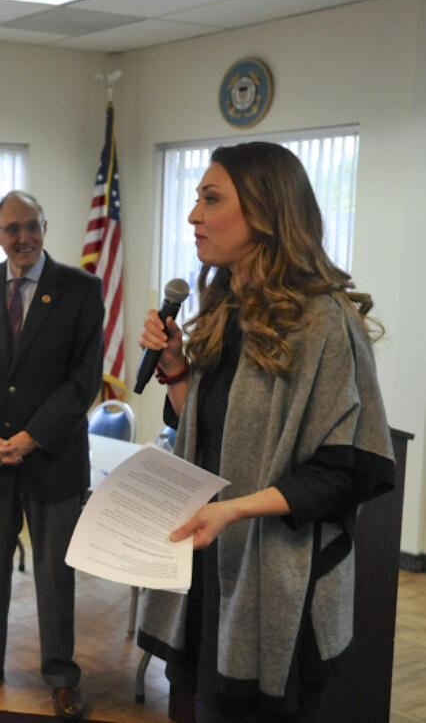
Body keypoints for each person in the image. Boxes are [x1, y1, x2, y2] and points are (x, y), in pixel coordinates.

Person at [136, 141, 394, 723]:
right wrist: (177, 372)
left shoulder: (325, 322)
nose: (193, 215)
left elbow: (348, 469)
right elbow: (208, 435)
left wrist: (232, 510)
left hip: (279, 585)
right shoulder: (227, 309)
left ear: (265, 211)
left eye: (210, 198)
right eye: (196, 199)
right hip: (210, 571)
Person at [0, 190, 103, 722]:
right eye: (12, 229)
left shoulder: (81, 289)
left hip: (53, 459)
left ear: (45, 228)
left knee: (55, 574)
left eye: (32, 226)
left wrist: (33, 437)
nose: (24, 237)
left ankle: (60, 674)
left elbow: (84, 381)